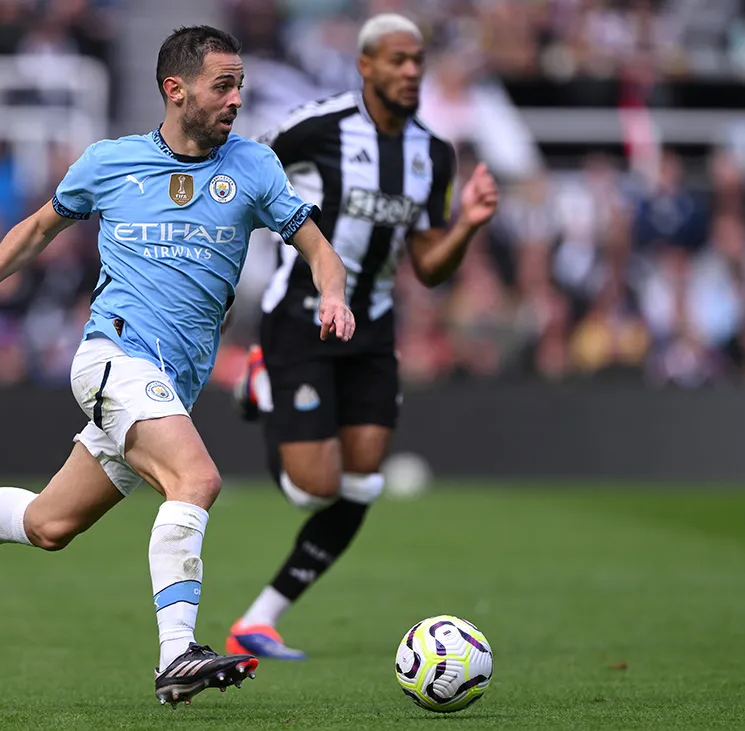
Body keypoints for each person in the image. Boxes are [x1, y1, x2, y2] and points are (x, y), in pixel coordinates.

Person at [0, 25, 357, 705]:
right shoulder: (109, 162)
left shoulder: (254, 167)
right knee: (196, 479)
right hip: (112, 357)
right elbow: (35, 229)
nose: (237, 98)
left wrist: (332, 293)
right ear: (176, 90)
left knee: (48, 525)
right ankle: (177, 654)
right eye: (223, 85)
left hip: (166, 383)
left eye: (240, 85)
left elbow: (319, 246)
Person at [227, 13, 499, 660]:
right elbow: (240, 170)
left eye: (418, 62)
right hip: (300, 316)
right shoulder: (316, 126)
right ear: (366, 65)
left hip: (373, 325)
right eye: (397, 61)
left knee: (363, 479)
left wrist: (466, 225)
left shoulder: (434, 153)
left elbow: (429, 266)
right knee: (314, 487)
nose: (411, 72)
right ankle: (264, 381)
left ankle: (260, 618)